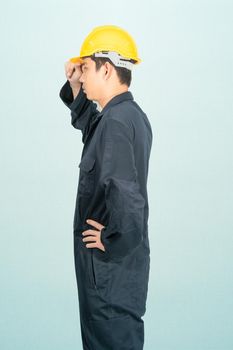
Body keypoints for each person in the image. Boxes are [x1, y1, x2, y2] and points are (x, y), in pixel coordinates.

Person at [59, 24, 153, 350]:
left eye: (85, 69)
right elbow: (91, 129)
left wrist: (111, 241)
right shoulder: (125, 116)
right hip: (115, 275)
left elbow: (127, 197)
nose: (81, 77)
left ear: (107, 68)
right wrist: (73, 86)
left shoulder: (115, 121)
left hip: (109, 274)